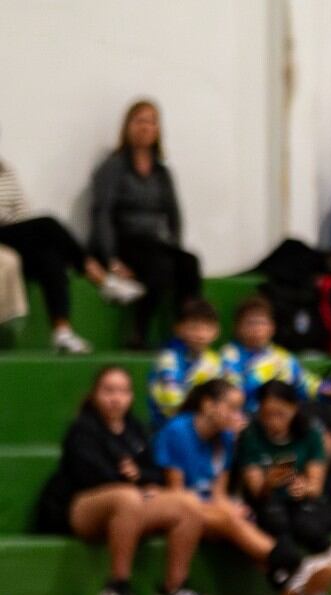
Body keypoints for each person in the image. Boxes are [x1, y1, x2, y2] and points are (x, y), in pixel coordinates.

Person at [153, 379, 331, 595]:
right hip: (171, 506)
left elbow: (218, 494)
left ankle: (291, 580)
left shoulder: (226, 438)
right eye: (232, 408)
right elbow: (177, 494)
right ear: (208, 405)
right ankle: (296, 567)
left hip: (205, 509)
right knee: (230, 520)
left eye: (240, 409)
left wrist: (233, 508)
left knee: (244, 515)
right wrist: (228, 512)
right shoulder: (178, 430)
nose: (239, 417)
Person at [35, 365, 207, 595]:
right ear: (95, 394)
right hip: (79, 507)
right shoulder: (83, 429)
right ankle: (117, 587)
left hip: (132, 503)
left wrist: (142, 478)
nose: (116, 398)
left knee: (188, 502)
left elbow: (154, 472)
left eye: (123, 391)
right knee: (127, 497)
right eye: (109, 391)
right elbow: (89, 475)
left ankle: (173, 588)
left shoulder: (135, 430)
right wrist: (134, 482)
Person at [235, 381, 331, 595]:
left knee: (307, 525)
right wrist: (268, 483)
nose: (274, 421)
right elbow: (255, 489)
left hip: (300, 503)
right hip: (266, 504)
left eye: (280, 414)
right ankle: (307, 579)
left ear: (293, 409)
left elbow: (315, 485)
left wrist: (303, 487)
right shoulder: (251, 436)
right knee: (276, 520)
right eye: (267, 414)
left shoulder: (310, 433)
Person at [0, 151, 142, 353]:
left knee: (50, 257)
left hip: (12, 234)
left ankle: (62, 333)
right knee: (48, 224)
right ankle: (102, 279)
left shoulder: (5, 171)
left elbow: (22, 212)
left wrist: (26, 233)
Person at [89, 99, 201, 343]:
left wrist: (175, 244)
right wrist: (110, 258)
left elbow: (174, 214)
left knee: (189, 263)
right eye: (140, 121)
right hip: (124, 240)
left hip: (153, 241)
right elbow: (102, 213)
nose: (145, 127)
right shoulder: (113, 166)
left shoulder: (162, 172)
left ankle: (187, 329)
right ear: (128, 126)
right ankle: (139, 331)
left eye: (151, 122)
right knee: (159, 267)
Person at [220, 295, 330, 412]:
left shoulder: (282, 357)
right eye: (251, 323)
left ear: (272, 328)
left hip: (283, 418)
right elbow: (234, 393)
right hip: (247, 418)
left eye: (262, 322)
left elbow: (304, 382)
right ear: (238, 327)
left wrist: (330, 389)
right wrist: (261, 374)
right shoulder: (230, 354)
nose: (257, 328)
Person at [148, 297, 225, 424]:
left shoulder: (216, 362)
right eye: (194, 328)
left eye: (207, 328)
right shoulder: (167, 359)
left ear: (216, 331)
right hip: (168, 424)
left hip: (204, 425)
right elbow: (172, 401)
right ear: (179, 329)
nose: (201, 335)